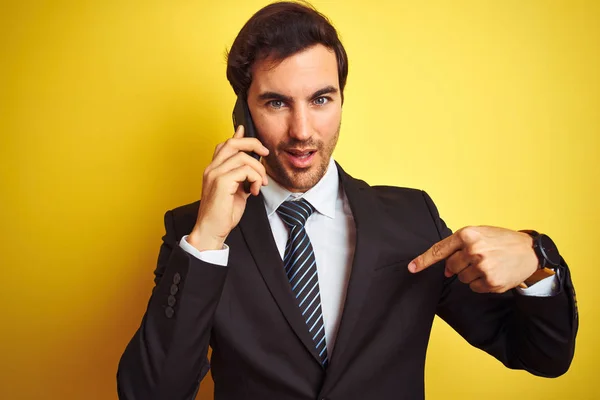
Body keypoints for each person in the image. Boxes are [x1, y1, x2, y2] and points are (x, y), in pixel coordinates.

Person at [116, 2, 578, 399]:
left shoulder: (411, 219)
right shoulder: (194, 234)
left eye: (320, 99)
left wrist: (537, 263)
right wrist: (208, 240)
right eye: (276, 103)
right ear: (244, 112)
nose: (302, 131)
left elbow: (541, 355)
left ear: (341, 98)